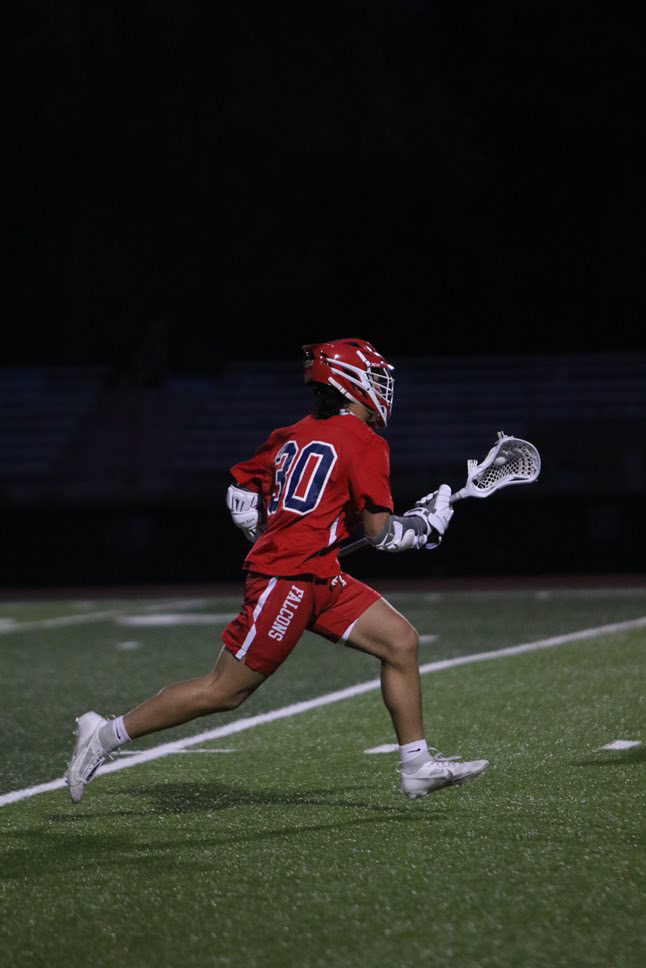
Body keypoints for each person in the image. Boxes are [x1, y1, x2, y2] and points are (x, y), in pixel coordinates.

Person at [66, 338, 488, 803]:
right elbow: (383, 535)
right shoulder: (365, 441)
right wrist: (427, 526)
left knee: (400, 641)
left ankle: (416, 765)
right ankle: (103, 735)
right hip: (288, 580)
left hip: (317, 573)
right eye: (377, 378)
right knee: (224, 691)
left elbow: (241, 492)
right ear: (352, 383)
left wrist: (273, 529)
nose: (385, 390)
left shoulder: (293, 432)